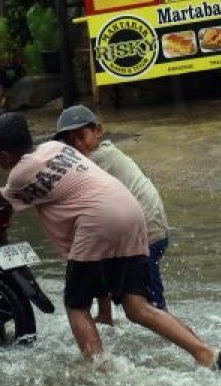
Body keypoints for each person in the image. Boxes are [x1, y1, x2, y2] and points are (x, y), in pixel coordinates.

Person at [0, 112, 221, 371]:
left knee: (75, 305)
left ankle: (104, 374)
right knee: (137, 306)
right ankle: (206, 354)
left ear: (1, 155)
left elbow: (3, 199)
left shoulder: (20, 175)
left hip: (99, 220)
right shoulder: (55, 148)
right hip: (130, 211)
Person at [53, 105, 169, 325]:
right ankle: (105, 315)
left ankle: (184, 342)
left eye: (81, 136)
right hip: (139, 229)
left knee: (150, 305)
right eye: (70, 142)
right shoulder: (102, 152)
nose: (77, 145)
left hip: (148, 234)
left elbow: (58, 182)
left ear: (98, 131)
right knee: (96, 255)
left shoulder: (98, 157)